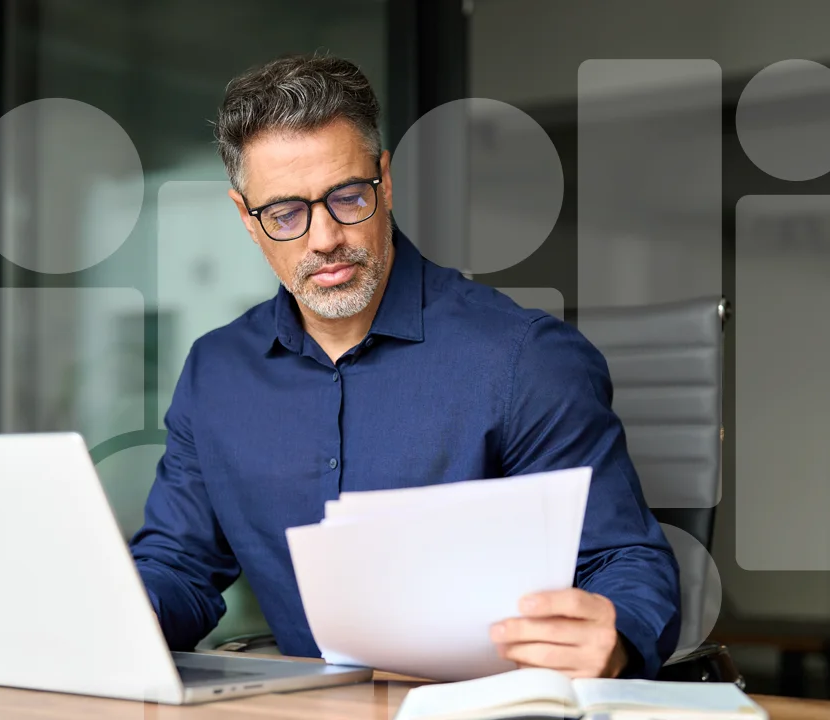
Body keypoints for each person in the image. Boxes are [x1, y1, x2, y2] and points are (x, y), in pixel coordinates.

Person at [129, 52, 681, 680]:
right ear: (246, 219)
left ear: (384, 182)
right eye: (285, 213)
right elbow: (178, 566)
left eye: (346, 197)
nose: (323, 238)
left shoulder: (524, 359)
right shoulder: (216, 373)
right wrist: (117, 610)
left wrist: (617, 634)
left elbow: (623, 561)